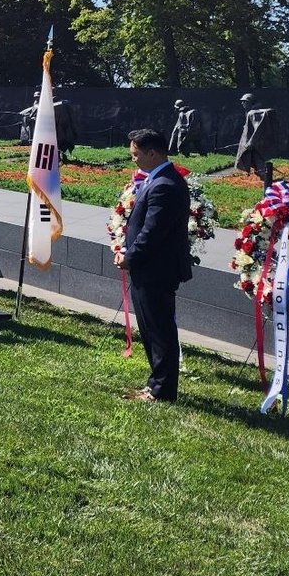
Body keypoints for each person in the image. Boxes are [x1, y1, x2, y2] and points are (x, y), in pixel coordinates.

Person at [114, 128, 192, 402]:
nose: (133, 160)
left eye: (136, 154)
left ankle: (161, 391)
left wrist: (130, 257)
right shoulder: (157, 180)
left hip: (157, 270)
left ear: (152, 153)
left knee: (160, 333)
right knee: (151, 330)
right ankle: (156, 385)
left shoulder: (165, 185)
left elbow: (152, 232)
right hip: (149, 269)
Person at [234, 93, 279, 178]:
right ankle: (263, 176)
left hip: (254, 143)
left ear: (250, 102)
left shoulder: (253, 113)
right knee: (254, 159)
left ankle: (267, 179)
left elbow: (258, 128)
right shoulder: (250, 113)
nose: (242, 103)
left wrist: (251, 141)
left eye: (244, 102)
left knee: (258, 160)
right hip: (252, 143)